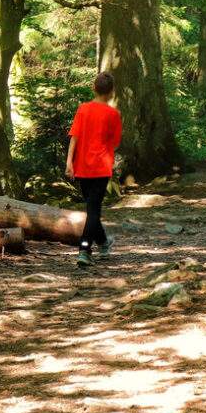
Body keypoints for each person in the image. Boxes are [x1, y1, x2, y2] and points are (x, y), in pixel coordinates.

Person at [65, 71, 122, 268]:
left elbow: (74, 137)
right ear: (111, 91)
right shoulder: (114, 114)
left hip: (82, 167)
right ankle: (84, 249)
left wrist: (68, 163)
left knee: (92, 210)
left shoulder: (83, 109)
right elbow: (114, 143)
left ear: (94, 88)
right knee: (93, 212)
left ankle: (104, 243)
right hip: (101, 167)